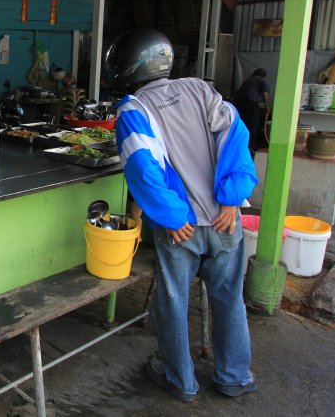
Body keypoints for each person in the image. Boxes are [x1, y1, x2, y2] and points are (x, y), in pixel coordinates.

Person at [106, 28, 258, 402]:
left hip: (182, 229)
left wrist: (171, 216)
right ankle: (233, 376)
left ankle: (181, 381)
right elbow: (237, 135)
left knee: (173, 302)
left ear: (127, 67)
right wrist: (231, 198)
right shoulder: (201, 89)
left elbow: (143, 168)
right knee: (229, 299)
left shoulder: (132, 110)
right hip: (225, 221)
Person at [233, 68, 270, 150]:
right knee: (253, 123)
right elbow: (265, 94)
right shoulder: (261, 80)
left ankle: (239, 144)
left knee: (243, 122)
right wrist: (266, 107)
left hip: (239, 102)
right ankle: (250, 146)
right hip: (251, 101)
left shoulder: (248, 80)